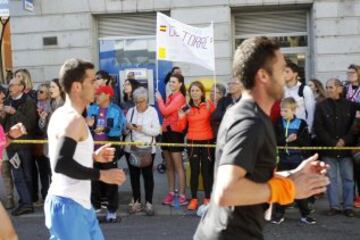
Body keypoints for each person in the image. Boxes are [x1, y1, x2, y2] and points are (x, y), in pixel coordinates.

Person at [194, 36, 329, 240]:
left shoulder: (250, 114)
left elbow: (252, 178)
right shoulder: (250, 121)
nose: (287, 76)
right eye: (282, 69)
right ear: (264, 75)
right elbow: (227, 191)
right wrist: (289, 188)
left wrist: (293, 175)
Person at [44, 58, 126, 239]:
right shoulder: (73, 119)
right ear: (76, 87)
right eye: (91, 81)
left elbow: (66, 155)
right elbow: (62, 163)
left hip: (80, 205)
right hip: (68, 206)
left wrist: (93, 156)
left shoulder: (63, 114)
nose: (96, 85)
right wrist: (103, 175)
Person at [313, 78, 357, 217]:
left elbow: (355, 126)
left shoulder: (352, 106)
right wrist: (332, 142)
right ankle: (334, 207)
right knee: (330, 179)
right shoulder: (320, 106)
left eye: (331, 87)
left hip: (346, 149)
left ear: (339, 88)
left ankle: (348, 207)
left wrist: (345, 140)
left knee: (348, 178)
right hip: (329, 149)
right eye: (327, 87)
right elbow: (318, 127)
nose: (328, 90)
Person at [271, 97, 314, 224]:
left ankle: (305, 214)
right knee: (281, 186)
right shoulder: (278, 122)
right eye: (281, 111)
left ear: (293, 110)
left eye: (285, 111)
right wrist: (286, 141)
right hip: (282, 160)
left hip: (297, 160)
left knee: (299, 187)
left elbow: (306, 143)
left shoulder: (302, 123)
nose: (282, 113)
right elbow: (274, 140)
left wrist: (296, 140)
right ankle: (279, 214)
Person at [86, 85, 126, 222]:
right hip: (92, 150)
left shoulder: (116, 110)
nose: (96, 96)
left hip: (109, 150)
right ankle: (95, 207)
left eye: (99, 94)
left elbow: (119, 128)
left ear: (108, 95)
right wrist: (91, 126)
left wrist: (104, 128)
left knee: (111, 180)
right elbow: (86, 126)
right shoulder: (91, 108)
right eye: (96, 94)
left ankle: (112, 210)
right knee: (93, 179)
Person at [1, 76, 37, 216]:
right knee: (17, 175)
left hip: (24, 144)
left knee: (27, 174)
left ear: (21, 87)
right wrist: (3, 114)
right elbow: (2, 125)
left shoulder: (29, 102)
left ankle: (27, 203)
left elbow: (30, 124)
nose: (10, 88)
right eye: (9, 85)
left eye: (13, 85)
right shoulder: (8, 101)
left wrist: (15, 113)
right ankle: (25, 201)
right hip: (11, 145)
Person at [177, 81, 215, 211]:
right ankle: (193, 199)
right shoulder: (186, 107)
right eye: (192, 91)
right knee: (194, 171)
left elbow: (216, 121)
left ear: (202, 92)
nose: (194, 93)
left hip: (207, 141)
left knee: (206, 171)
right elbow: (181, 127)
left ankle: (207, 198)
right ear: (189, 93)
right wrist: (181, 117)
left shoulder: (209, 104)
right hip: (193, 141)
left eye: (197, 90)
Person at [125, 87, 161, 216]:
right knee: (134, 176)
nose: (139, 104)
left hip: (147, 149)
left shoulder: (152, 111)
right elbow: (126, 129)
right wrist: (127, 127)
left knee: (148, 176)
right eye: (136, 101)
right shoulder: (131, 111)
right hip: (131, 148)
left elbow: (157, 131)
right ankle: (136, 201)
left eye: (141, 101)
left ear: (146, 100)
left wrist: (142, 128)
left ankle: (149, 202)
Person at [156, 73, 188, 206]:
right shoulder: (171, 96)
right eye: (170, 82)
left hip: (175, 133)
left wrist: (159, 100)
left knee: (178, 165)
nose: (171, 84)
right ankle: (171, 193)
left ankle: (181, 194)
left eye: (174, 82)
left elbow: (165, 111)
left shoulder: (180, 97)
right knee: (169, 165)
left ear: (180, 84)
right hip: (166, 132)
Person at [33, 83, 52, 206]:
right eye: (38, 91)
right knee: (43, 171)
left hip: (50, 144)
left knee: (52, 171)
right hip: (39, 144)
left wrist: (43, 118)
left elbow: (47, 128)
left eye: (41, 92)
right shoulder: (35, 106)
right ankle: (45, 196)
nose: (38, 93)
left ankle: (53, 196)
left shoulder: (51, 107)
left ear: (48, 95)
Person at [283, 59, 315, 131]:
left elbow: (311, 112)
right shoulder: (282, 90)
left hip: (300, 130)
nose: (284, 74)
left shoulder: (305, 89)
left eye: (287, 72)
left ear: (295, 74)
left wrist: (307, 130)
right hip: (285, 130)